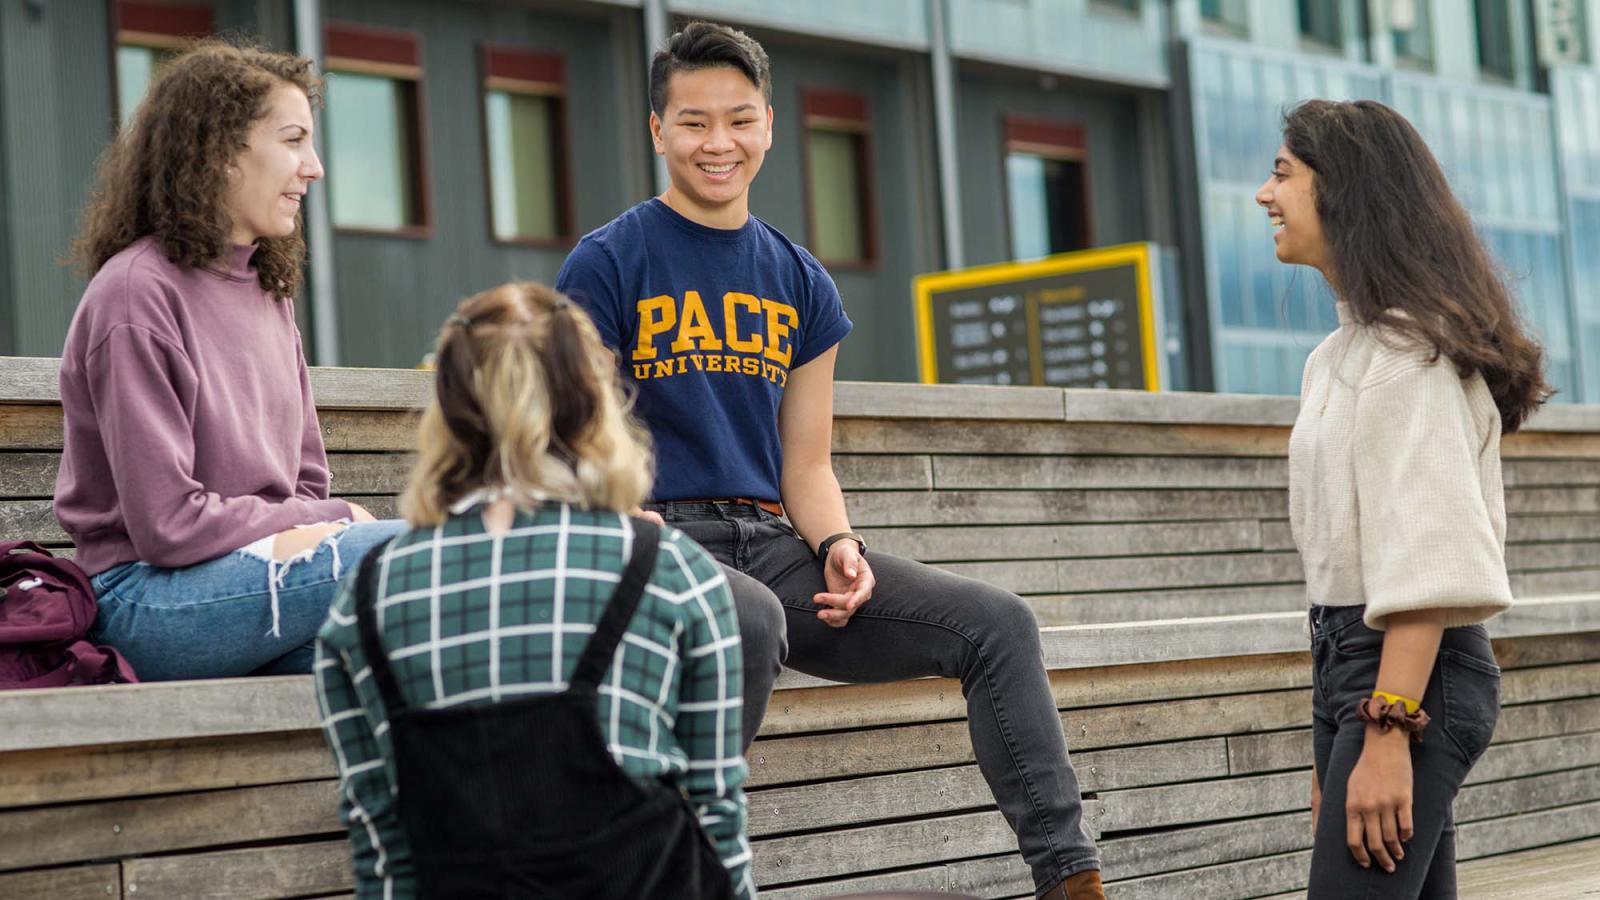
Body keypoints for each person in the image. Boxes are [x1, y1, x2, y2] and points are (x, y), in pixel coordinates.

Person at [557, 21, 1103, 900]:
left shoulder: (801, 280)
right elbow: (568, 442)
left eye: (739, 120)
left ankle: (1072, 881)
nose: (718, 143)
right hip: (650, 543)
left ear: (769, 125)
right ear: (657, 131)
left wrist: (839, 542)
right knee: (748, 617)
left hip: (772, 541)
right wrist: (621, 517)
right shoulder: (608, 262)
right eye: (693, 122)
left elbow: (805, 465)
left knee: (999, 625)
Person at [314, 283, 752, 898]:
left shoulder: (367, 596)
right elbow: (716, 819)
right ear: (591, 402)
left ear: (451, 409)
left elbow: (382, 852)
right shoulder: (668, 571)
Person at [1257, 99, 1550, 899]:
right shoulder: (1339, 356)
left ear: (1344, 192)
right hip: (1357, 667)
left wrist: (1384, 732)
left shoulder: (1406, 356)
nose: (1263, 194)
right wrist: (1342, 725)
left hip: (1405, 678)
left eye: (1283, 173)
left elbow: (1429, 556)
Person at [53, 41, 405, 680]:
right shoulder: (135, 293)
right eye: (293, 140)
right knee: (418, 555)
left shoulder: (268, 293)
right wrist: (329, 522)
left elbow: (305, 488)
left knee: (412, 659)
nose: (315, 167)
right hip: (144, 599)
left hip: (263, 583)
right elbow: (167, 526)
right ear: (218, 154)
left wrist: (316, 521)